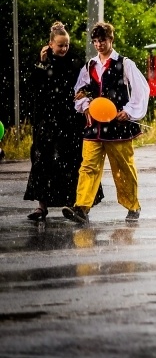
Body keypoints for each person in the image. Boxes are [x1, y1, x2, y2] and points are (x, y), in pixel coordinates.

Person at [62, 22, 150, 224]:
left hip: (118, 127)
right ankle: (82, 208)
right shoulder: (89, 66)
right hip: (94, 127)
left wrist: (128, 111)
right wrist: (85, 106)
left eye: (102, 40)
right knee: (88, 166)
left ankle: (132, 205)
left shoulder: (125, 64)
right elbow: (79, 91)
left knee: (123, 168)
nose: (99, 44)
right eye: (95, 41)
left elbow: (141, 90)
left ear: (111, 39)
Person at [25, 22, 103, 221]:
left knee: (71, 161)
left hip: (69, 119)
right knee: (43, 161)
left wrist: (85, 99)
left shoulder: (75, 63)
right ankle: (41, 206)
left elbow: (85, 86)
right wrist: (42, 64)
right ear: (50, 44)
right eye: (60, 45)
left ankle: (75, 204)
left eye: (66, 44)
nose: (64, 48)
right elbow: (32, 87)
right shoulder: (42, 63)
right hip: (46, 120)